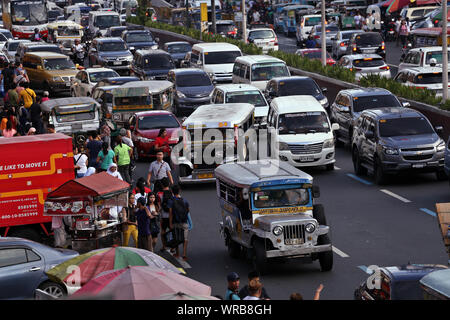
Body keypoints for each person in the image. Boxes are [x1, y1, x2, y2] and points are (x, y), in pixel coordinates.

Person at [168, 184, 190, 260]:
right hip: (184, 221)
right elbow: (188, 210)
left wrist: (170, 223)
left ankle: (177, 253)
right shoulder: (184, 200)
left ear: (172, 192)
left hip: (175, 222)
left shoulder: (171, 201)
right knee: (185, 238)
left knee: (176, 237)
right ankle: (184, 254)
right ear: (179, 191)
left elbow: (170, 213)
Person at [158, 177, 172, 252]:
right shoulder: (171, 192)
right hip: (171, 215)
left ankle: (164, 246)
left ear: (162, 185)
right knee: (172, 230)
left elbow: (159, 206)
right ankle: (173, 247)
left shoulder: (159, 194)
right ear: (169, 184)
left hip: (163, 216)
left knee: (163, 231)